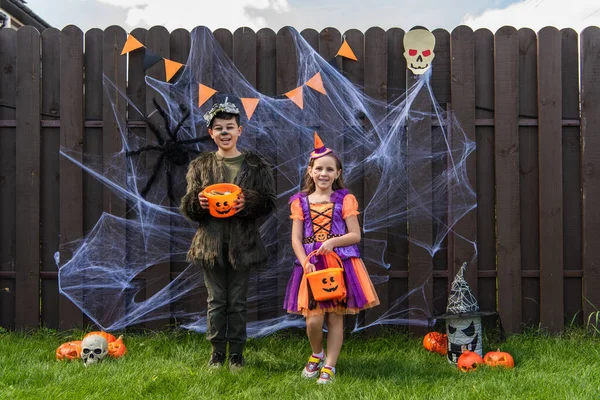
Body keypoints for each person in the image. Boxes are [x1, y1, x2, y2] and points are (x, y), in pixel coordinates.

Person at [180, 99, 276, 370]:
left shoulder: (255, 166)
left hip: (242, 245)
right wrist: (196, 203)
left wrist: (249, 201)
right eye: (219, 128)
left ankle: (236, 354)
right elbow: (189, 205)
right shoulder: (200, 166)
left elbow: (269, 201)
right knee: (216, 300)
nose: (224, 133)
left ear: (239, 131)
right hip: (210, 243)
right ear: (211, 133)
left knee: (237, 300)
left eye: (229, 127)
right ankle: (216, 354)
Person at [283, 132, 380, 384]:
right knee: (313, 319)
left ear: (337, 173)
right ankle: (317, 353)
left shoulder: (345, 200)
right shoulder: (300, 202)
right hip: (311, 264)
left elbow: (355, 235)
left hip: (340, 263)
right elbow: (295, 238)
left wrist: (332, 242)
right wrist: (305, 261)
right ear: (310, 171)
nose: (323, 174)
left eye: (329, 169)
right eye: (319, 169)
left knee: (335, 316)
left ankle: (330, 366)